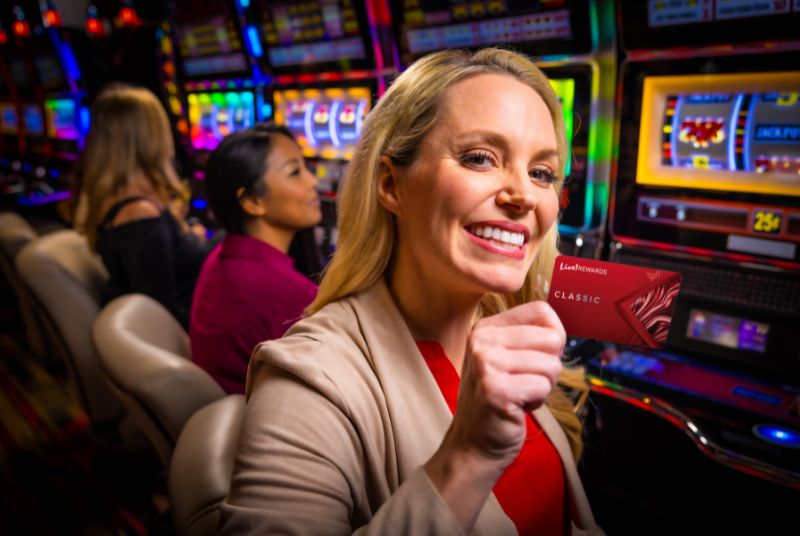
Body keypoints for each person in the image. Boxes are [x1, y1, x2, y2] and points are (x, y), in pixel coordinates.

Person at [220, 48, 602, 535]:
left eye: (541, 173)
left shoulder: (509, 325)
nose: (524, 194)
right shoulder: (308, 381)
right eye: (480, 158)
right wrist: (467, 457)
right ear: (391, 184)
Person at [190, 124, 322, 395]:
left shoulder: (222, 254)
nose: (314, 181)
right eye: (295, 172)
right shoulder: (285, 291)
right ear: (252, 201)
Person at [71, 83, 210, 329]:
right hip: (180, 336)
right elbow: (162, 308)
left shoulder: (116, 196)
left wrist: (183, 233)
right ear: (150, 137)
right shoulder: (138, 215)